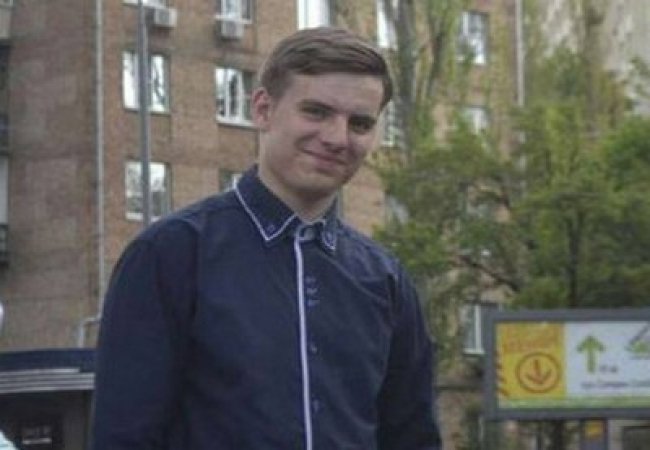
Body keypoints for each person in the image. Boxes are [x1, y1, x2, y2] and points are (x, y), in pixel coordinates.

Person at [91, 27, 442, 450]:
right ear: (263, 109)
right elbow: (124, 436)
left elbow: (413, 438)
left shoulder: (385, 281)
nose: (337, 138)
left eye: (360, 123)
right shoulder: (171, 255)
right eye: (316, 112)